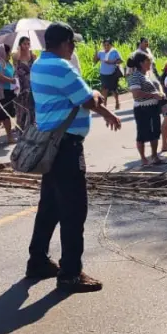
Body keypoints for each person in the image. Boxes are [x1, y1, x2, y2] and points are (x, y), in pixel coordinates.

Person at [25, 22, 122, 293]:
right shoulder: (62, 67)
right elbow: (87, 99)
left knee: (49, 207)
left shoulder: (39, 64)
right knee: (73, 210)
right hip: (66, 148)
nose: (74, 48)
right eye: (73, 43)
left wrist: (96, 103)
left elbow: (79, 98)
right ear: (66, 43)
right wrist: (94, 95)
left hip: (50, 146)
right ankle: (70, 273)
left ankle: (38, 260)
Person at [127, 49, 167, 166]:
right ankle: (143, 158)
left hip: (153, 107)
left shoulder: (147, 75)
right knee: (142, 133)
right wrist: (153, 95)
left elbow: (157, 84)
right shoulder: (135, 76)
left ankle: (154, 156)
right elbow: (136, 93)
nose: (150, 63)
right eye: (148, 61)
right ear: (141, 63)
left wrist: (160, 93)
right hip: (142, 108)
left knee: (155, 132)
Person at [13, 36, 36, 131]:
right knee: (21, 108)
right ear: (20, 44)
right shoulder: (16, 55)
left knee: (31, 107)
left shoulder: (33, 55)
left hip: (30, 83)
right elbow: (16, 59)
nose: (27, 46)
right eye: (24, 44)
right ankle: (20, 128)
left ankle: (31, 127)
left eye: (28, 44)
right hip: (20, 85)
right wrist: (19, 49)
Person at [96, 40, 124, 110]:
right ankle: (104, 105)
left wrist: (112, 62)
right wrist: (96, 53)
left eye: (108, 45)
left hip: (112, 74)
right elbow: (95, 60)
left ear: (111, 45)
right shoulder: (101, 53)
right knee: (104, 90)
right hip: (103, 74)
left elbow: (120, 60)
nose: (106, 46)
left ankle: (117, 102)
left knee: (113, 90)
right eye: (104, 45)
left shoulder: (114, 52)